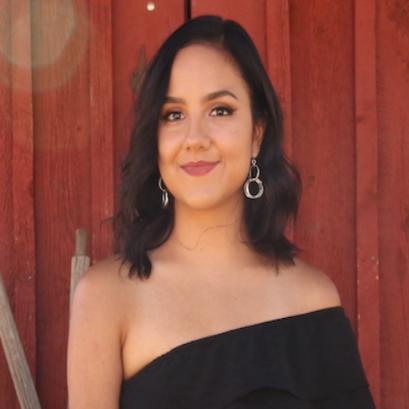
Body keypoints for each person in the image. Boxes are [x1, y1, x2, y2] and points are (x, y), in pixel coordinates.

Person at [67, 15, 376, 408]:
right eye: (173, 115)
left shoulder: (311, 298)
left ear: (257, 134)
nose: (195, 139)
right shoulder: (107, 298)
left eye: (220, 110)